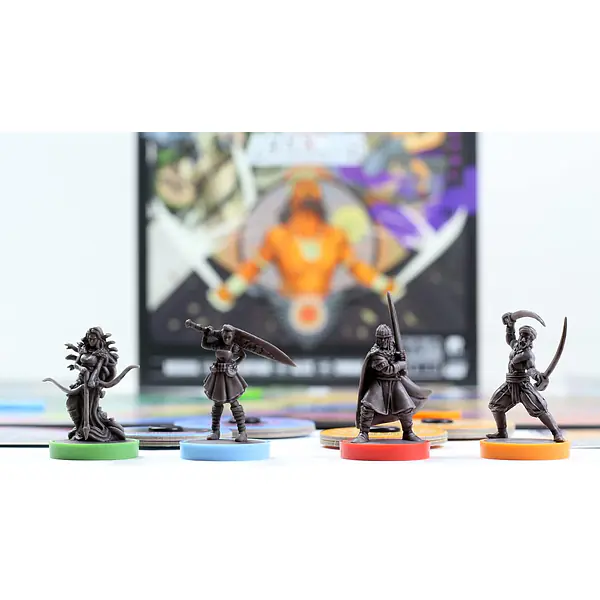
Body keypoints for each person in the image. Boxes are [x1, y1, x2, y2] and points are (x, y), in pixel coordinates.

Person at [487, 313, 565, 442]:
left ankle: (556, 433)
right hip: (510, 383)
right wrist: (510, 325)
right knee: (495, 405)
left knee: (539, 409)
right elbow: (510, 338)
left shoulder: (528, 354)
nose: (523, 339)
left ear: (531, 340)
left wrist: (537, 376)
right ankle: (501, 432)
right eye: (522, 335)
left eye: (527, 337)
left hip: (523, 386)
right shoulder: (515, 347)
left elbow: (531, 369)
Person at [352, 323, 431, 443]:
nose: (383, 341)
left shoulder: (394, 349)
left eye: (385, 338)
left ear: (390, 338)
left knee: (406, 408)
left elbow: (403, 372)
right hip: (379, 383)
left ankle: (408, 432)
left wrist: (402, 359)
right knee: (368, 406)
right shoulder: (376, 354)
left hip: (395, 383)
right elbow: (387, 370)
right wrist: (401, 364)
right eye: (380, 339)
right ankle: (363, 433)